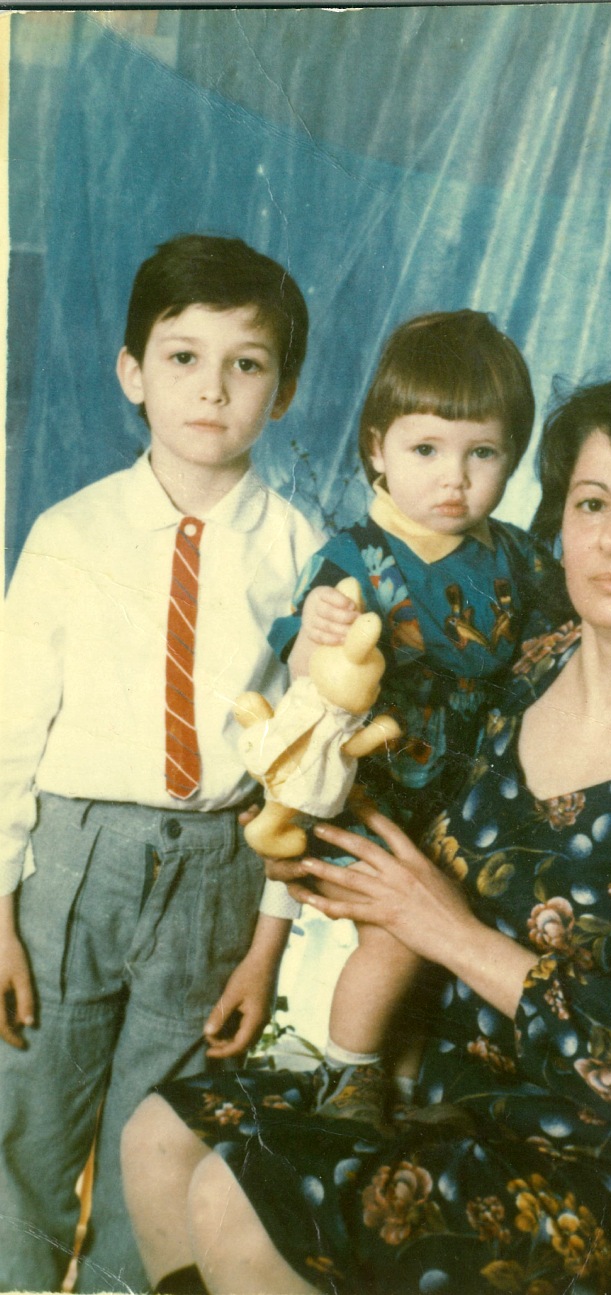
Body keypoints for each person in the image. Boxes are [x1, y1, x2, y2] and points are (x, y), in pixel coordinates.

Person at [122, 372, 611, 1295]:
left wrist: (442, 926)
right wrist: (319, 838)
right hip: (437, 1077)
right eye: (592, 502)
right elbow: (413, 835)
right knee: (160, 1139)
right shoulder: (530, 664)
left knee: (242, 1193)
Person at [0, 234, 322, 1293]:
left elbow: (305, 769)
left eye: (247, 363)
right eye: (183, 357)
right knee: (24, 1125)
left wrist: (269, 938)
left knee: (159, 1140)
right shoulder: (70, 533)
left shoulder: (303, 553)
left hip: (216, 874)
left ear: (283, 391)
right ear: (132, 371)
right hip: (68, 866)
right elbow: (8, 730)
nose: (213, 389)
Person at [261, 310, 553, 1123]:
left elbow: (563, 645)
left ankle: (405, 1081)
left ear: (512, 458)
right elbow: (304, 671)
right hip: (378, 795)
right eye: (426, 450)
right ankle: (348, 1073)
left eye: (482, 454)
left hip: (474, 798)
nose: (454, 478)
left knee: (452, 948)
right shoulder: (353, 557)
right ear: (378, 449)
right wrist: (318, 635)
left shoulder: (518, 558)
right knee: (396, 936)